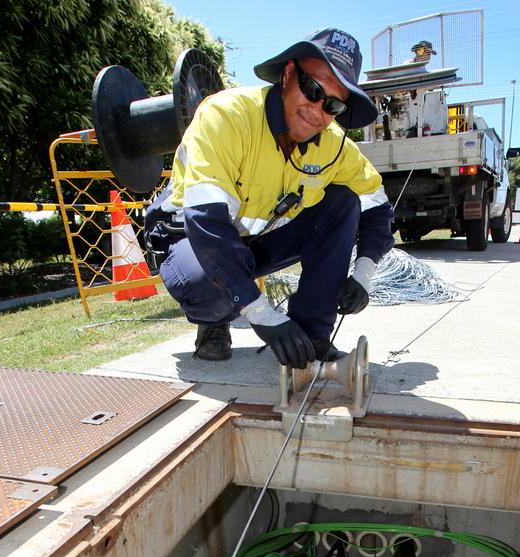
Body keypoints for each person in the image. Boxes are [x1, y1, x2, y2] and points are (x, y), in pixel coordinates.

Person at [145, 29, 394, 369]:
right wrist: (263, 316)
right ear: (289, 74)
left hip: (251, 242)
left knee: (343, 202)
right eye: (312, 89)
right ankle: (214, 321)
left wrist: (363, 274)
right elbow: (208, 224)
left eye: (333, 104)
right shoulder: (226, 117)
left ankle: (311, 334)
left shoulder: (333, 145)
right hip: (188, 238)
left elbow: (377, 205)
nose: (317, 110)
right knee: (213, 288)